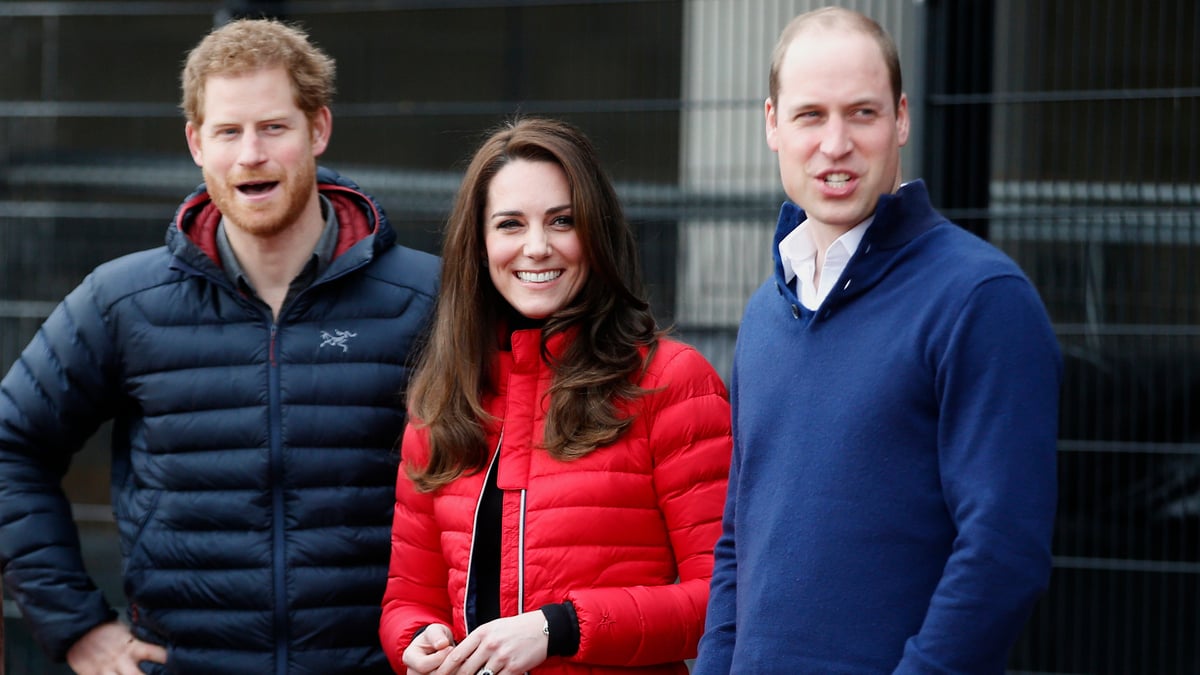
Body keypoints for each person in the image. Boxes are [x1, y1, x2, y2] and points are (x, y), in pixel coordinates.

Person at [0, 18, 438, 675]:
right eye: (228, 132)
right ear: (195, 143)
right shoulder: (122, 301)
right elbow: (11, 446)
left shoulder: (426, 296)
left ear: (318, 129)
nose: (250, 154)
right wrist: (77, 626)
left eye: (273, 127)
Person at [693, 7, 1062, 675]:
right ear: (772, 124)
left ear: (901, 118)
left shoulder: (981, 299)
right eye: (811, 116)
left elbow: (1002, 551)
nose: (836, 143)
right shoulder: (763, 314)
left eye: (861, 113)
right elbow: (736, 544)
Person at [378, 117, 732, 675]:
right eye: (510, 224)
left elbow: (721, 599)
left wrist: (557, 628)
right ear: (480, 242)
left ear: (597, 231)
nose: (537, 247)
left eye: (562, 221)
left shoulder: (673, 382)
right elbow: (409, 597)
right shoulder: (442, 399)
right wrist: (415, 639)